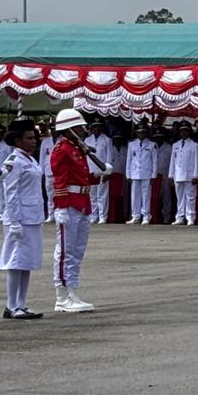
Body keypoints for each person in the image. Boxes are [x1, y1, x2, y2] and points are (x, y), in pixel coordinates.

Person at [49, 109, 96, 312]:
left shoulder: (77, 148)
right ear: (68, 129)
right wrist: (60, 207)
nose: (82, 130)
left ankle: (73, 291)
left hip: (82, 202)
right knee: (65, 252)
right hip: (69, 204)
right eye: (78, 127)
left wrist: (98, 176)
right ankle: (62, 294)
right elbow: (59, 179)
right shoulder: (62, 149)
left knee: (77, 251)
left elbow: (81, 177)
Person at [0, 119, 45, 319]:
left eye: (34, 138)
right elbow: (10, 192)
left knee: (27, 262)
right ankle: (11, 305)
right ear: (18, 141)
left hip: (33, 216)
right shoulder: (14, 161)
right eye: (29, 138)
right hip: (19, 218)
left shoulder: (31, 160)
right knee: (15, 261)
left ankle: (22, 303)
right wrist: (15, 221)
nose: (33, 142)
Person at [168, 121, 198, 226]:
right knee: (180, 197)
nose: (184, 133)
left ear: (189, 132)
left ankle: (190, 217)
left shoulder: (194, 145)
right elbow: (173, 161)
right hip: (178, 174)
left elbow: (197, 161)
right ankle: (180, 217)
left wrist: (196, 175)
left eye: (186, 131)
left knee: (190, 197)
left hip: (189, 175)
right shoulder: (175, 145)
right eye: (182, 131)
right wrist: (170, 175)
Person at [83, 120, 114, 224]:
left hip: (102, 170)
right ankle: (93, 216)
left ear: (102, 128)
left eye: (99, 127)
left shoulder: (107, 140)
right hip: (91, 171)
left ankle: (102, 216)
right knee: (92, 195)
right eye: (94, 127)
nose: (96, 129)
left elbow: (109, 157)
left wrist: (107, 172)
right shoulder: (87, 140)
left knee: (102, 195)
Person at [125, 124, 156, 225]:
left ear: (146, 133)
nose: (141, 134)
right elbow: (129, 160)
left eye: (143, 132)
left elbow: (154, 161)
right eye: (139, 132)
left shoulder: (152, 144)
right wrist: (128, 174)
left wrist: (153, 175)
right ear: (136, 133)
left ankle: (146, 216)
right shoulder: (132, 144)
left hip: (146, 173)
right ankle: (136, 216)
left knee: (146, 195)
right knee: (135, 196)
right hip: (134, 173)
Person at [38, 123, 55, 223]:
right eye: (52, 129)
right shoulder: (46, 141)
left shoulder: (62, 141)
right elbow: (42, 157)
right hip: (49, 171)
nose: (54, 131)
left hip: (61, 172)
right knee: (50, 194)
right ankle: (51, 214)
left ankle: (59, 213)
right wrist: (41, 172)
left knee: (60, 194)